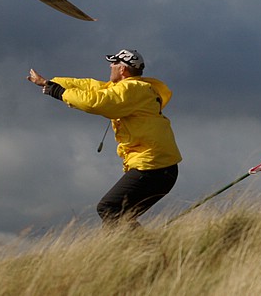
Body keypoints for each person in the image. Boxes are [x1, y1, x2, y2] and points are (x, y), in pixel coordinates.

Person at [27, 49, 182, 226]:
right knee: (118, 214)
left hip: (154, 167)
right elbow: (90, 86)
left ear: (123, 69)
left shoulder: (132, 89)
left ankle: (148, 249)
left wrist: (56, 91)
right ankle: (144, 250)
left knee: (109, 208)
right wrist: (50, 82)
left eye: (114, 63)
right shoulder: (130, 88)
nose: (110, 66)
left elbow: (96, 102)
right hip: (159, 167)